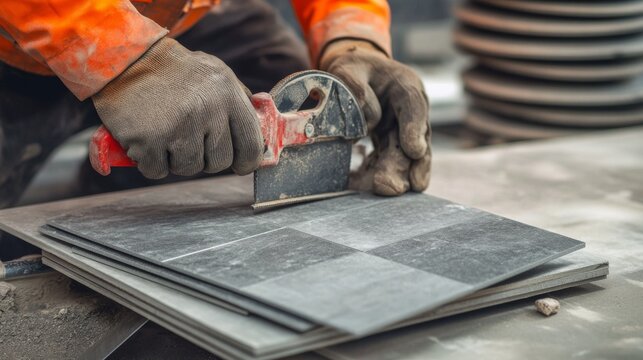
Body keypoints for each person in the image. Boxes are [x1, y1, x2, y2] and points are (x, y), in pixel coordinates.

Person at [0, 0, 430, 258]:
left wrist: (353, 37)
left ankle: (115, 220)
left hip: (184, 16)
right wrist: (127, 62)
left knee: (266, 102)